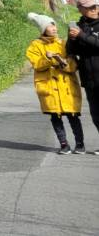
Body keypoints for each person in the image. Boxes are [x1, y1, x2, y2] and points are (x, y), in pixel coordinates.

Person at [28, 11, 85, 154]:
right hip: (49, 86)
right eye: (50, 25)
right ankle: (64, 144)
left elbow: (73, 65)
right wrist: (48, 59)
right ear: (43, 29)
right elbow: (37, 64)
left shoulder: (64, 43)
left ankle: (80, 144)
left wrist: (63, 62)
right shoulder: (35, 46)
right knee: (55, 116)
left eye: (54, 25)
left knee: (73, 116)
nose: (54, 28)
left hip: (67, 85)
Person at [66, 0, 99, 147]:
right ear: (80, 9)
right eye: (89, 7)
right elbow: (70, 51)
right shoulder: (78, 26)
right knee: (96, 115)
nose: (94, 9)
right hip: (89, 79)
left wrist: (81, 35)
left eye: (95, 6)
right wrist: (72, 39)